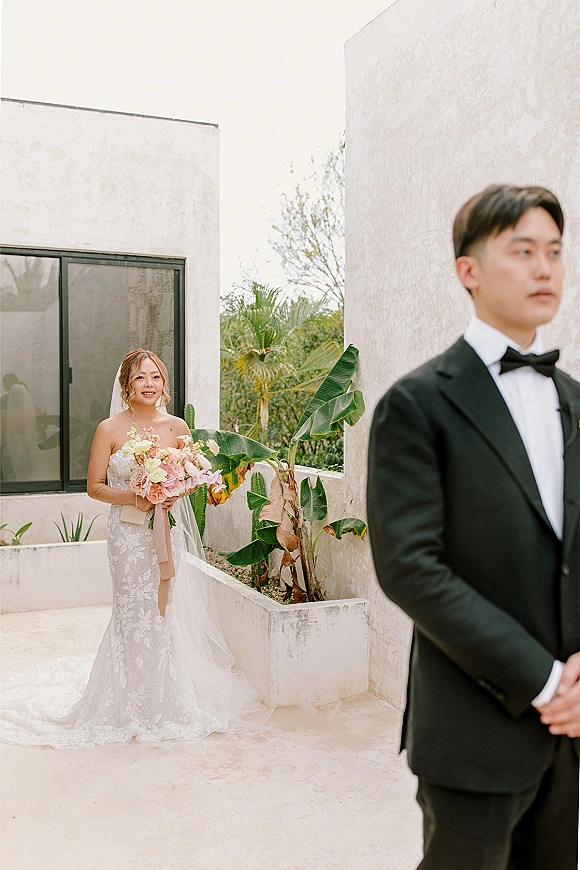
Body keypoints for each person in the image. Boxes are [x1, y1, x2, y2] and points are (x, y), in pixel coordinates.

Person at [367, 185, 579, 869]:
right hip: (473, 733)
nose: (544, 268)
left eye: (555, 251)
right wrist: (544, 681)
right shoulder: (416, 404)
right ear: (469, 270)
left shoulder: (575, 400)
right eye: (523, 251)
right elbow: (409, 567)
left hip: (570, 735)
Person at [1, 349, 261, 747]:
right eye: (140, 377)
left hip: (165, 530)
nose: (149, 384)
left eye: (155, 376)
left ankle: (166, 700)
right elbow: (95, 487)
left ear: (164, 383)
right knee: (131, 610)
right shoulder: (109, 428)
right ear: (126, 384)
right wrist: (136, 496)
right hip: (126, 536)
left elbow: (191, 477)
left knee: (163, 610)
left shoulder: (177, 427)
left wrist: (172, 492)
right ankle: (125, 701)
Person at [0, 382, 46, 481]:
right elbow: (43, 436)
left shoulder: (3, 415)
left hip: (10, 452)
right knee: (29, 478)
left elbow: (1, 440)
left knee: (11, 480)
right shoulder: (34, 413)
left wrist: (10, 441)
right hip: (30, 451)